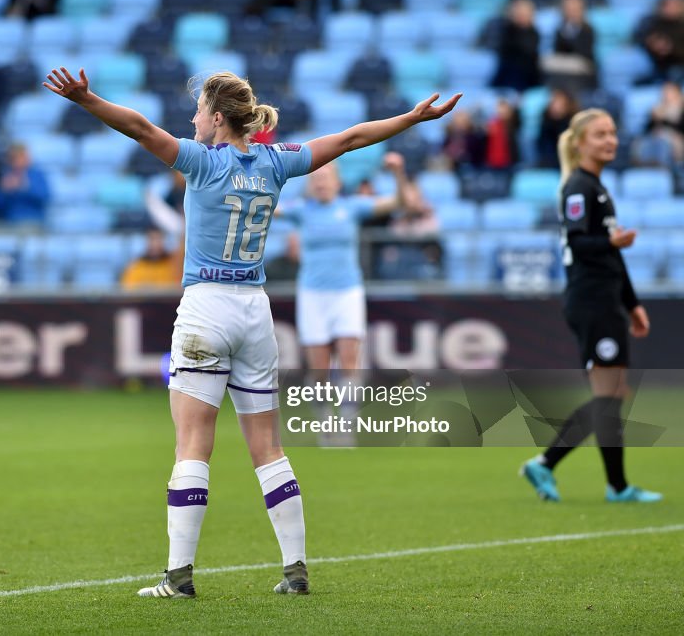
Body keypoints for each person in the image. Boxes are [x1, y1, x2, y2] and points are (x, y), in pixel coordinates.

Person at [43, 65, 459, 597]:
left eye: (198, 112)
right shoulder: (276, 162)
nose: (193, 120)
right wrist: (412, 117)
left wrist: (86, 100)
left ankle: (178, 578)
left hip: (205, 307)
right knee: (268, 446)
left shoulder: (200, 162)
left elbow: (142, 130)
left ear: (217, 118)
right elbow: (353, 138)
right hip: (255, 311)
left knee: (193, 442)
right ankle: (295, 569)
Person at [520, 110, 662, 504]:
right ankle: (549, 464)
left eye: (613, 133)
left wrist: (632, 304)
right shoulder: (579, 189)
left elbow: (611, 257)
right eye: (600, 134)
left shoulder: (596, 187)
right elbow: (581, 246)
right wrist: (613, 248)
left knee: (613, 396)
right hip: (592, 302)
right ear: (580, 141)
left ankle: (612, 485)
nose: (610, 140)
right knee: (608, 397)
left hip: (606, 300)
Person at [277, 153, 418, 444]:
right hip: (313, 294)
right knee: (319, 367)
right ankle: (325, 420)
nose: (321, 184)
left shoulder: (352, 207)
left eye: (326, 178)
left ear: (338, 182)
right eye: (316, 179)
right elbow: (265, 209)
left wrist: (399, 174)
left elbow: (400, 203)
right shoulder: (302, 210)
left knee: (349, 359)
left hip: (347, 292)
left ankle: (347, 424)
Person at [0, 143, 50, 226]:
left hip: (32, 222)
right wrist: (4, 192)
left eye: (20, 157)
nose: (17, 162)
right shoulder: (5, 175)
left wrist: (25, 186)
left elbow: (45, 197)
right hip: (9, 223)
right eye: (13, 158)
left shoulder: (37, 174)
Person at [491, 0, 542, 93]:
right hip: (509, 77)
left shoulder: (534, 33)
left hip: (529, 79)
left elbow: (530, 54)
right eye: (519, 12)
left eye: (525, 12)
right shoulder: (507, 31)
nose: (522, 15)